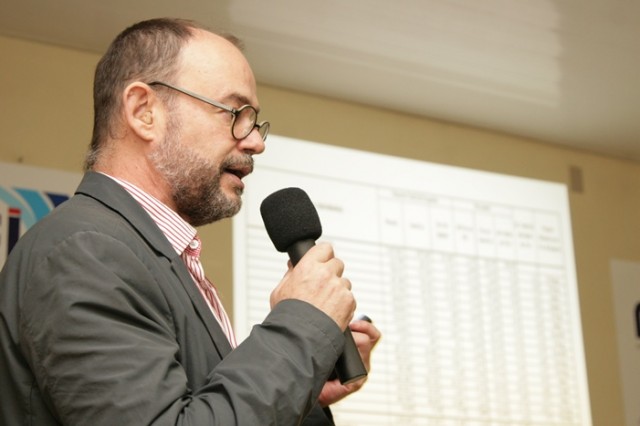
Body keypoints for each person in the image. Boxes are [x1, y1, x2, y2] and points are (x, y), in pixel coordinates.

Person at [0, 18, 380, 425]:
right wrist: (301, 324)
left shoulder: (160, 256)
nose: (256, 141)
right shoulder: (84, 251)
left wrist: (303, 384)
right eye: (236, 112)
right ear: (144, 112)